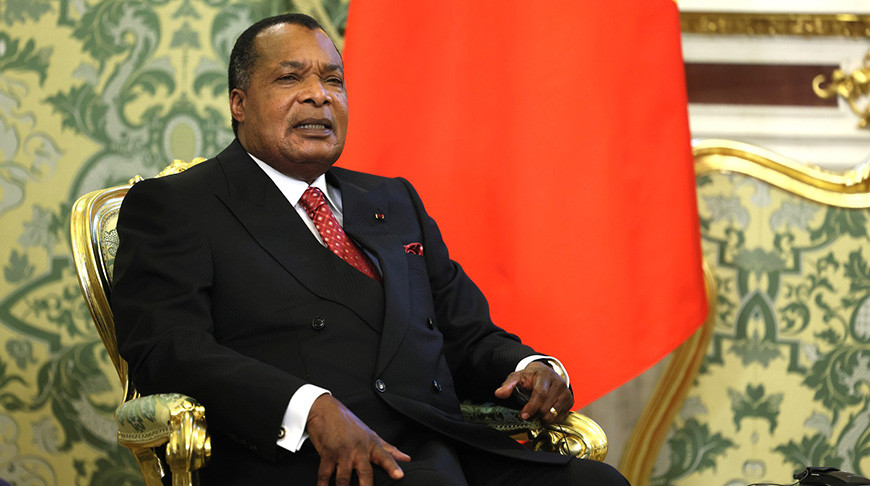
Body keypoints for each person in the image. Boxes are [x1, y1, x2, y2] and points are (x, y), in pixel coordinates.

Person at [111, 12, 629, 486]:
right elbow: (168, 349)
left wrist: (531, 367)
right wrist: (308, 408)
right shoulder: (179, 205)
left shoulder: (393, 199)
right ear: (239, 103)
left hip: (443, 443)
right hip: (311, 460)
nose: (319, 96)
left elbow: (464, 334)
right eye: (290, 78)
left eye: (333, 80)